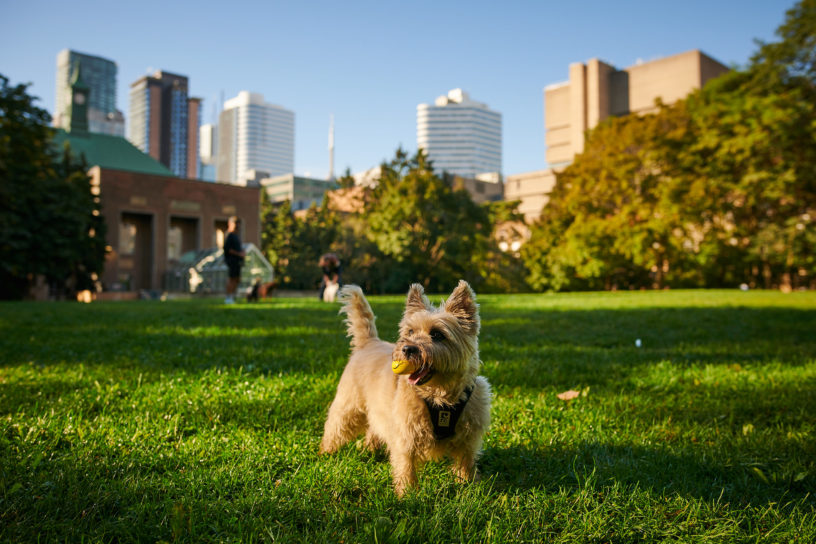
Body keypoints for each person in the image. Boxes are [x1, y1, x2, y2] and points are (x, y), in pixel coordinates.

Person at [224, 216, 245, 304]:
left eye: (238, 223)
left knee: (237, 279)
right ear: (230, 223)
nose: (237, 226)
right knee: (232, 278)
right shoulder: (229, 235)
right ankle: (228, 297)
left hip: (238, 261)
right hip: (232, 261)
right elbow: (228, 249)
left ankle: (232, 296)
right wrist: (239, 254)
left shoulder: (236, 236)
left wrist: (242, 252)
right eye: (235, 223)